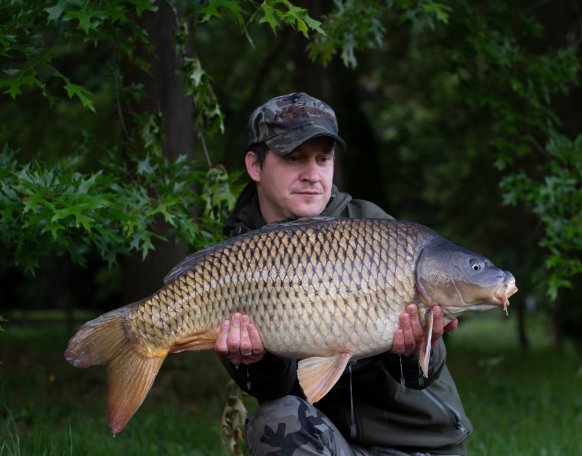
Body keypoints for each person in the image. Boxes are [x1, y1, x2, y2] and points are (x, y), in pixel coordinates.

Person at [214, 92, 472, 455]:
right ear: (255, 165)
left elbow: (424, 376)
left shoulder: (376, 232)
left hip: (420, 446)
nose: (312, 175)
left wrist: (414, 350)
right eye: (294, 157)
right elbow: (272, 390)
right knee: (275, 420)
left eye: (323, 159)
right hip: (331, 445)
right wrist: (256, 360)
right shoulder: (240, 256)